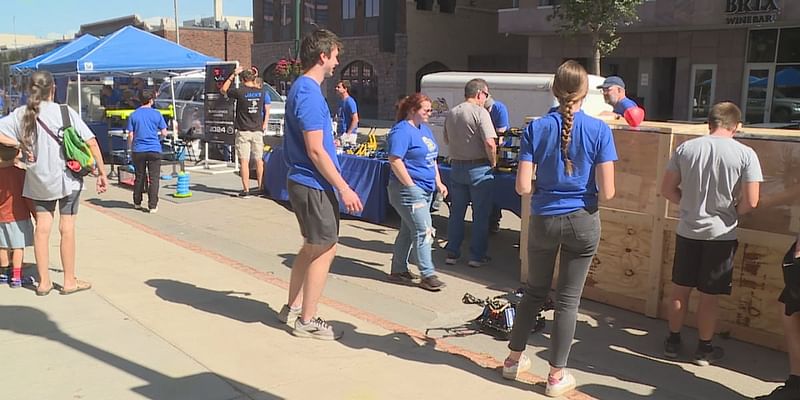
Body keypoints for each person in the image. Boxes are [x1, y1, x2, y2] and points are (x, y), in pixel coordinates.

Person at [500, 60, 617, 398]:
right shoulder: (599, 131)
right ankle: (555, 378)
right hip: (583, 220)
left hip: (544, 219)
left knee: (533, 293)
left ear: (554, 90)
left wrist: (547, 187)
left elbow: (523, 186)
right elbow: (607, 191)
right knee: (568, 301)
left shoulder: (536, 129)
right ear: (585, 93)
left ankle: (512, 360)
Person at [661, 101, 762, 366]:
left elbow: (668, 190)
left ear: (710, 123)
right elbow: (752, 201)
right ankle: (703, 350)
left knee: (680, 291)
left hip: (688, 230)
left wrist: (689, 204)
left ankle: (672, 342)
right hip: (721, 234)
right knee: (709, 295)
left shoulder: (686, 148)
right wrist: (731, 212)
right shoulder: (745, 154)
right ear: (736, 126)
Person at [277, 29, 363, 339]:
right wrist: (344, 187)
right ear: (323, 56)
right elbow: (315, 149)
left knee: (313, 246)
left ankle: (293, 308)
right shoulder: (310, 93)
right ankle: (307, 320)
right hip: (312, 182)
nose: (337, 62)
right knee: (326, 248)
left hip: (305, 181)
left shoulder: (302, 89)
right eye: (336, 56)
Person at [0, 70, 109, 296]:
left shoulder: (21, 113)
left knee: (43, 228)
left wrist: (19, 145)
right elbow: (91, 142)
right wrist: (102, 172)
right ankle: (69, 281)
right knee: (67, 228)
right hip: (67, 180)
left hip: (38, 181)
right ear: (53, 89)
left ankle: (44, 283)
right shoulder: (64, 111)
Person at [386, 93, 448, 291]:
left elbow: (431, 160)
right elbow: (395, 160)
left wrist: (438, 182)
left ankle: (398, 270)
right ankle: (427, 274)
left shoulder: (424, 130)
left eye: (430, 110)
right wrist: (410, 186)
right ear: (413, 111)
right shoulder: (401, 131)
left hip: (426, 188)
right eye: (426, 110)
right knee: (424, 230)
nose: (430, 113)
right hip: (408, 190)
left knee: (408, 230)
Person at [443, 78, 497, 268]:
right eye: (486, 95)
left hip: (457, 166)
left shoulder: (452, 112)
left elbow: (447, 139)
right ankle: (476, 255)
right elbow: (490, 142)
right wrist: (494, 162)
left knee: (456, 213)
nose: (486, 99)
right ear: (480, 94)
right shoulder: (480, 112)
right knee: (480, 215)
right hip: (478, 168)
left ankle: (452, 252)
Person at [221, 65, 270, 198]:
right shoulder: (262, 92)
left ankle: (246, 189)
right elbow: (267, 108)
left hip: (243, 131)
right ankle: (260, 187)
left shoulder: (239, 91)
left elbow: (223, 90)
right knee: (259, 160)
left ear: (242, 79)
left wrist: (233, 75)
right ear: (253, 79)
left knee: (244, 161)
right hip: (258, 130)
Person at [0, 144, 35, 288]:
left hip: (1, 215)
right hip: (18, 215)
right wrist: (34, 213)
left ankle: (3, 273)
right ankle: (16, 277)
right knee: (18, 247)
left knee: (2, 246)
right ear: (16, 154)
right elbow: (28, 196)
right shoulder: (21, 174)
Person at [127, 90, 168, 213]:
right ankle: (153, 205)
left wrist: (130, 148)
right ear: (151, 100)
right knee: (154, 178)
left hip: (138, 149)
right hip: (154, 149)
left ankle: (137, 202)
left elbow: (130, 135)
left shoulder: (134, 115)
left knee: (139, 176)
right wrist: (158, 140)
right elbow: (164, 132)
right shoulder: (157, 114)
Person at [484, 93, 510, 234]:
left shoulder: (499, 109)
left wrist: (494, 155)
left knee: (495, 188)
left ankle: (494, 220)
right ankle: (490, 219)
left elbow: (500, 135)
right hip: (486, 150)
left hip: (499, 151)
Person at [335, 80, 359, 146]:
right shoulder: (341, 101)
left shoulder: (350, 102)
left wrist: (347, 134)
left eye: (339, 87)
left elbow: (355, 119)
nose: (336, 89)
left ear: (345, 89)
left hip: (349, 135)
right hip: (341, 133)